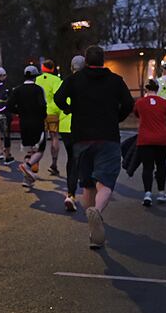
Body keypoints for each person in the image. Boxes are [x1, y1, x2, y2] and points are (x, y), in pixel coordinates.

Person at [54, 45, 134, 249]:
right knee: (105, 181)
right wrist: (116, 117)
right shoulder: (115, 81)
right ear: (103, 61)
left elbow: (58, 98)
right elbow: (128, 103)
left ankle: (92, 230)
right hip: (107, 136)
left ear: (86, 61)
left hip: (81, 137)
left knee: (87, 183)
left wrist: (70, 109)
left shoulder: (74, 80)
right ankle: (97, 211)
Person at [133, 79, 166, 206]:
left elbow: (136, 114)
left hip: (145, 139)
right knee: (161, 165)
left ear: (146, 90)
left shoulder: (140, 103)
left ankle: (148, 194)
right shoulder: (165, 103)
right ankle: (161, 192)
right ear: (158, 89)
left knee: (147, 167)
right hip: (162, 139)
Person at [8, 65, 47, 188]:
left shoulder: (17, 90)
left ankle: (27, 179)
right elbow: (42, 106)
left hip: (24, 123)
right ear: (35, 77)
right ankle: (28, 166)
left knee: (29, 150)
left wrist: (19, 112)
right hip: (37, 122)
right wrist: (43, 115)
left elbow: (9, 106)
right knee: (40, 149)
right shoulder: (38, 90)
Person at [58, 55, 85, 212]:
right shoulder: (86, 82)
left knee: (72, 159)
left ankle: (70, 194)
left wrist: (66, 109)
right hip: (80, 126)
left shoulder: (66, 81)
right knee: (82, 158)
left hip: (65, 125)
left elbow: (58, 98)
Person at [35, 59, 62, 176]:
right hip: (52, 112)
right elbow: (58, 95)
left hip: (39, 112)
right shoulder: (56, 80)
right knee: (54, 137)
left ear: (42, 68)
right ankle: (54, 164)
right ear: (52, 68)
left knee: (40, 138)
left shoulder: (37, 79)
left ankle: (35, 163)